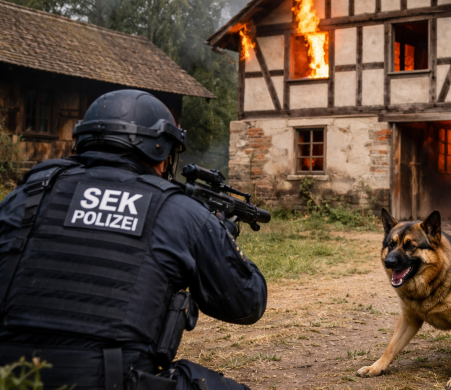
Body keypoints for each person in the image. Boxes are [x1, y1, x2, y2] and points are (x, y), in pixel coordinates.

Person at [0, 90, 267, 390]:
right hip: (112, 380)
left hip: (12, 377)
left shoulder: (26, 197)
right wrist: (220, 235)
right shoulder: (178, 211)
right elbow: (247, 303)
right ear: (159, 150)